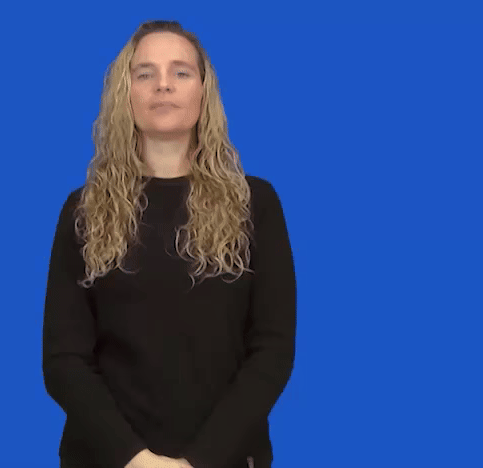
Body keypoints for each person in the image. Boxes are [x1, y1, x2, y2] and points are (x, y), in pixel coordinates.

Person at [43, 20, 296, 468]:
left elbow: (272, 351)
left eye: (181, 72)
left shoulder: (256, 203)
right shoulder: (84, 208)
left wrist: (200, 461)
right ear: (125, 93)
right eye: (145, 73)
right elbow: (64, 360)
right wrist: (136, 460)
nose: (163, 84)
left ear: (204, 90)